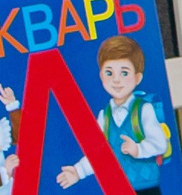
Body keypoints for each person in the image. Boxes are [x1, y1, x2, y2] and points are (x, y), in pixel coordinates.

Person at [52, 35, 173, 191]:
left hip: (146, 187)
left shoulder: (143, 109)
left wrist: (138, 149)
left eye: (124, 73)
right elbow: (98, 153)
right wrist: (78, 171)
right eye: (109, 73)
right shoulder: (104, 116)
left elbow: (160, 144)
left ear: (137, 78)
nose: (116, 80)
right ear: (101, 75)